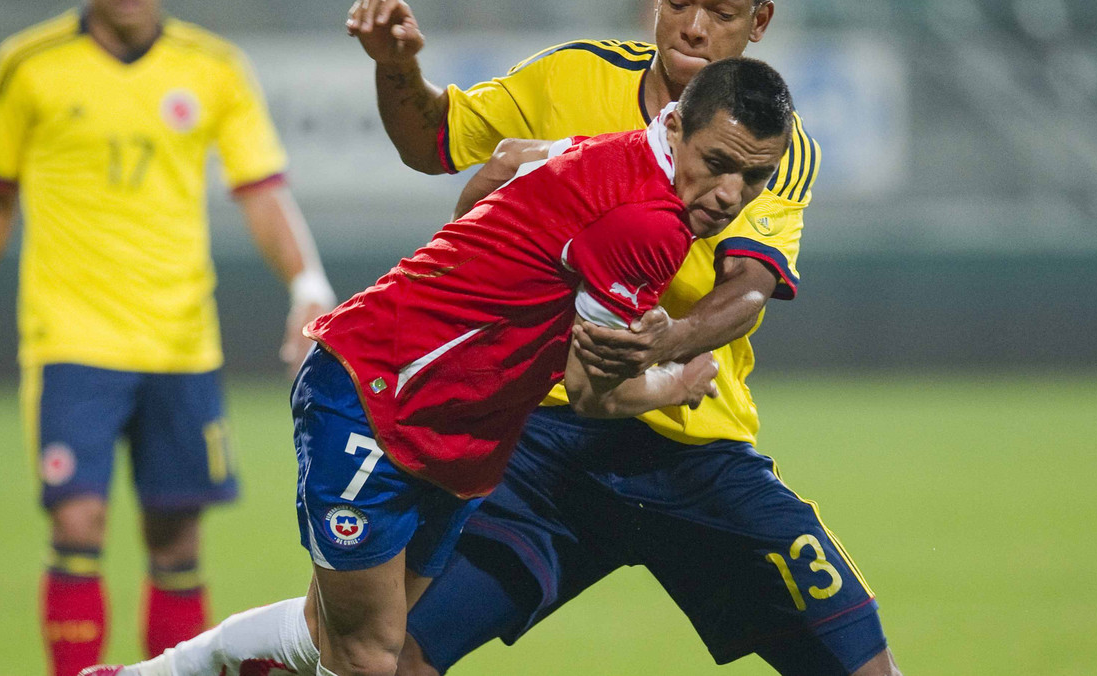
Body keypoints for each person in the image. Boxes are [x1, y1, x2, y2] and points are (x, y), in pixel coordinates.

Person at [82, 56, 794, 676]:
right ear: (674, 128)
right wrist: (676, 379)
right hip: (376, 394)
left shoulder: (606, 149)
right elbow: (589, 394)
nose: (730, 193)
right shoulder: (651, 226)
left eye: (755, 177)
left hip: (464, 429)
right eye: (718, 164)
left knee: (338, 635)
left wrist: (480, 266)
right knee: (367, 657)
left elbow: (506, 163)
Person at [345, 0, 903, 674]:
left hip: (692, 450)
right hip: (541, 443)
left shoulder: (769, 145)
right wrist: (397, 66)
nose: (693, 25)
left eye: (720, 10)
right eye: (678, 3)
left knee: (866, 667)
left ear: (759, 22)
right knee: (393, 653)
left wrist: (668, 342)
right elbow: (433, 141)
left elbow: (749, 285)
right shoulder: (572, 76)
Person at [0, 2, 336, 675]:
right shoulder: (28, 64)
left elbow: (260, 189)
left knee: (176, 540)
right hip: (71, 338)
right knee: (77, 524)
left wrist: (307, 283)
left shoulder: (213, 67)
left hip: (182, 343)